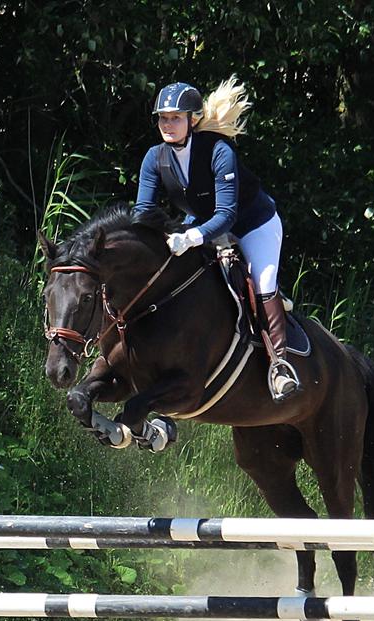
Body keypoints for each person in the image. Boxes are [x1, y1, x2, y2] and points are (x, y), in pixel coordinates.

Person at [132, 77, 301, 403]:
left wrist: (192, 236)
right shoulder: (155, 158)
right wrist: (169, 233)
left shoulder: (218, 151)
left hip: (253, 223)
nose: (168, 124)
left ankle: (280, 365)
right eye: (163, 118)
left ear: (191, 121)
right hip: (202, 224)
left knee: (263, 284)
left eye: (175, 118)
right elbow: (143, 212)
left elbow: (226, 215)